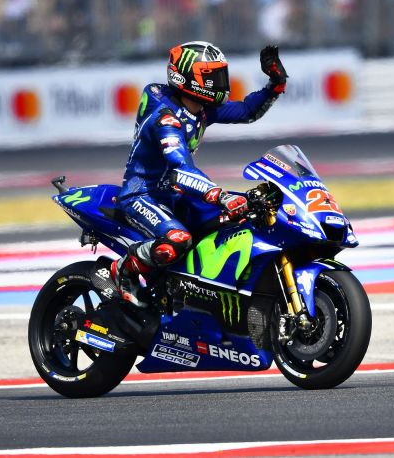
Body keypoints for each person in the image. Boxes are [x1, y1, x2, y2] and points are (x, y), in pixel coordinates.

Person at [111, 41, 288, 306]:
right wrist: (220, 195)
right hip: (142, 194)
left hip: (174, 195)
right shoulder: (166, 118)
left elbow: (247, 111)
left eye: (220, 74)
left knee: (235, 219)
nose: (220, 82)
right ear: (188, 78)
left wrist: (276, 83)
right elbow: (180, 169)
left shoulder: (202, 109)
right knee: (177, 240)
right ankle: (123, 271)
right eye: (211, 77)